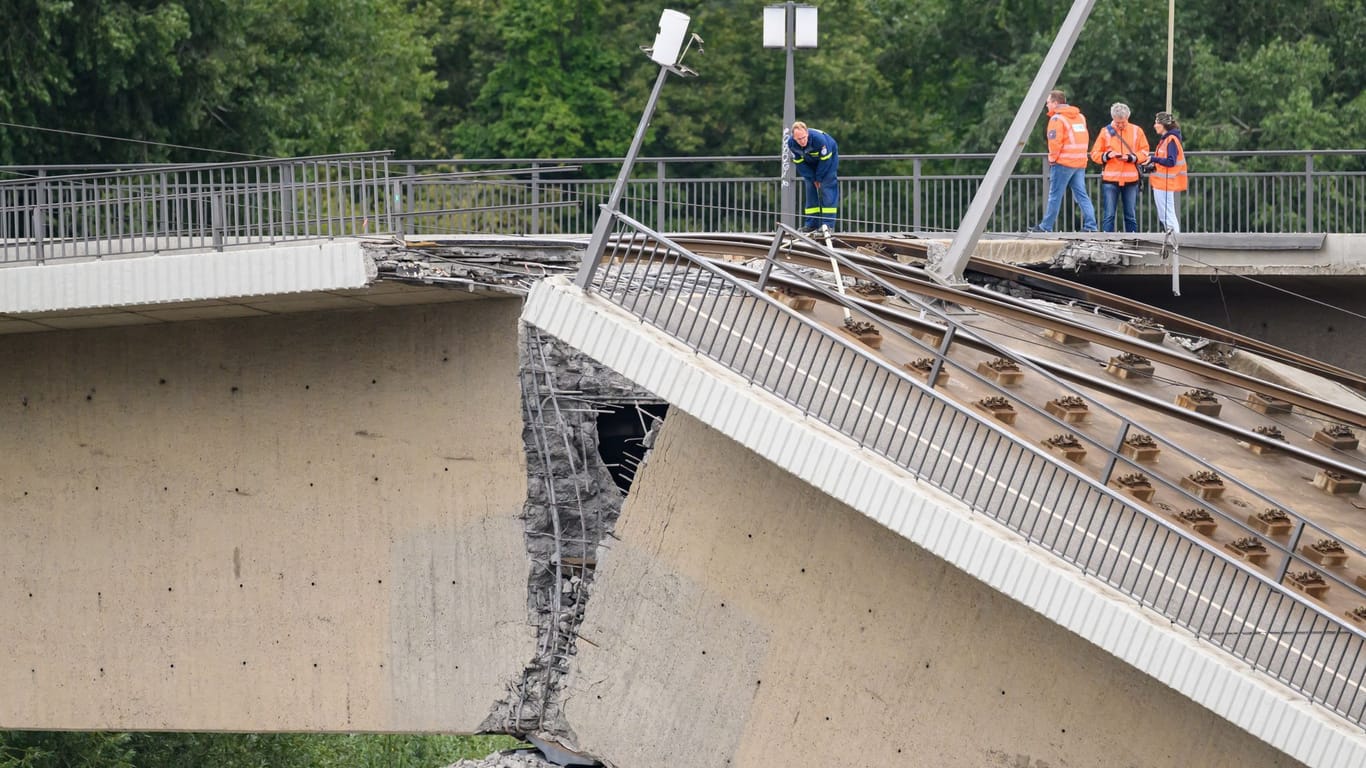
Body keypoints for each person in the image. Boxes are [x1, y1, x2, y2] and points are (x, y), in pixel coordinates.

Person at [1030, 90, 1097, 233]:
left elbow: (1055, 142)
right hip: (1079, 162)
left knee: (1055, 196)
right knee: (1081, 195)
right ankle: (1091, 226)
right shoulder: (1080, 117)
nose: (1046, 105)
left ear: (1055, 103)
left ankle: (1045, 227)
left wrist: (1052, 159)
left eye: (1047, 102)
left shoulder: (1056, 119)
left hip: (1063, 163)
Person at [1089, 102, 1150, 232]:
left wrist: (1131, 157)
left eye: (1123, 122)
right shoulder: (1105, 132)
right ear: (1113, 119)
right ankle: (1108, 243)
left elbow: (1145, 152)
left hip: (1131, 179)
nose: (1121, 125)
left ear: (1128, 117)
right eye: (1118, 123)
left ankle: (1133, 242)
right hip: (1111, 179)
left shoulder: (1136, 131)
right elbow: (1094, 154)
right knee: (1109, 215)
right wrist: (1107, 155)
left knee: (1130, 215)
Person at [787, 121, 839, 232]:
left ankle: (828, 225)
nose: (802, 141)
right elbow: (799, 163)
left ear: (807, 133)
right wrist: (812, 178)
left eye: (804, 137)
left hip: (827, 161)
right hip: (809, 162)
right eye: (799, 139)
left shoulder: (819, 140)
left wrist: (819, 178)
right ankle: (811, 224)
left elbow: (825, 161)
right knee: (810, 189)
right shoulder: (791, 143)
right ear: (793, 138)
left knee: (827, 189)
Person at [1145, 111, 1187, 234]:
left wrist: (1153, 159)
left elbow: (1171, 161)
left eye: (1156, 123)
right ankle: (1174, 239)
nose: (1154, 125)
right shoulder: (1167, 139)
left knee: (1167, 215)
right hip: (1162, 182)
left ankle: (1176, 240)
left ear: (1163, 124)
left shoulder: (1170, 140)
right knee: (1166, 214)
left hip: (1166, 182)